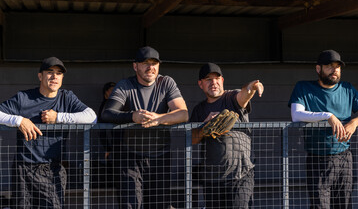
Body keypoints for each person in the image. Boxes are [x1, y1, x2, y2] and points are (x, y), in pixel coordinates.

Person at [0, 57, 97, 208]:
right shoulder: (23, 98)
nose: (54, 77)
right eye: (50, 72)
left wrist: (58, 117)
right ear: (40, 76)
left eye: (59, 73)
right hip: (24, 168)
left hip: (52, 169)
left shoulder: (67, 98)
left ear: (62, 78)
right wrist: (19, 120)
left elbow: (92, 117)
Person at [101, 46, 188, 209]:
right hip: (130, 158)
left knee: (159, 205)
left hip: (160, 157)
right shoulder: (125, 85)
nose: (151, 67)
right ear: (135, 66)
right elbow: (107, 113)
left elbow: (183, 113)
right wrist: (132, 116)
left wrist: (159, 119)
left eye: (154, 63)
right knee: (131, 204)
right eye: (145, 63)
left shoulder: (166, 82)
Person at [288, 50, 358, 209]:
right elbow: (296, 115)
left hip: (344, 157)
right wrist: (328, 116)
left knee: (344, 204)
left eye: (338, 66)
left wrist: (355, 122)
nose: (335, 70)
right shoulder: (304, 87)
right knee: (320, 205)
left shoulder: (347, 89)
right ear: (318, 69)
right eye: (329, 66)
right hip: (318, 158)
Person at [190, 62, 264, 209]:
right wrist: (205, 127)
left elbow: (245, 94)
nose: (213, 83)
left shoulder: (231, 98)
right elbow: (192, 138)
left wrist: (253, 87)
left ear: (222, 80)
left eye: (217, 78)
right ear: (201, 84)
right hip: (212, 179)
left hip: (240, 175)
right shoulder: (199, 109)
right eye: (208, 79)